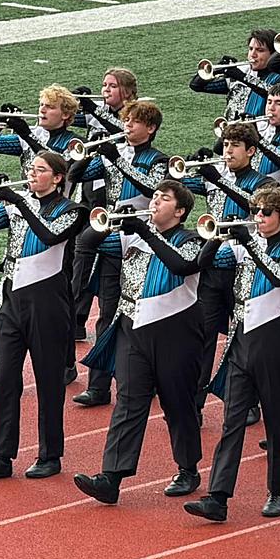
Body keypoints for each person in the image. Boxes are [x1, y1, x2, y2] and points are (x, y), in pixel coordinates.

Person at [183, 187, 280, 522]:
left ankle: (278, 490)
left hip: (273, 344)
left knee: (276, 423)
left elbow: (279, 275)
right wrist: (218, 235)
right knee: (231, 422)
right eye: (256, 212)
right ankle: (218, 496)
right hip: (240, 343)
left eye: (266, 213)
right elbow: (202, 262)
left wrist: (249, 242)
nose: (259, 218)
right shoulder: (242, 247)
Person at [73, 181, 205, 503]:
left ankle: (188, 468)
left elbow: (182, 265)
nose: (156, 201)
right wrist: (112, 218)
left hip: (175, 332)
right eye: (155, 196)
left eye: (165, 198)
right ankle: (111, 477)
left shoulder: (191, 240)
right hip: (132, 328)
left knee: (177, 403)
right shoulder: (130, 234)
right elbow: (87, 241)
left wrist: (145, 233)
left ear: (180, 211)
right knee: (129, 401)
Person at [0, 152, 86, 480]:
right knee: (6, 379)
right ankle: (1, 456)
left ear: (58, 178)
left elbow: (50, 236)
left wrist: (20, 204)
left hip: (48, 301)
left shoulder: (73, 211)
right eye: (31, 169)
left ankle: (50, 454)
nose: (32, 175)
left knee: (49, 381)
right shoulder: (18, 207)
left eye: (40, 170)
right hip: (14, 299)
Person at [68, 100, 170, 407]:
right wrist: (91, 151)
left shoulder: (158, 159)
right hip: (113, 237)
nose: (127, 126)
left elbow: (154, 190)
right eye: (126, 121)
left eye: (134, 122)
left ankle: (147, 380)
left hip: (143, 242)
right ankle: (98, 387)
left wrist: (118, 161)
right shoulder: (115, 152)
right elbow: (75, 174)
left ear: (150, 128)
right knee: (108, 314)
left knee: (143, 318)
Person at [181, 123, 277, 426]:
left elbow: (257, 208)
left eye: (235, 146)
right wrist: (187, 164)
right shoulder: (214, 176)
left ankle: (248, 402)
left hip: (246, 268)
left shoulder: (265, 182)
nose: (228, 151)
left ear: (250, 151)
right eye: (225, 145)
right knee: (203, 338)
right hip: (214, 269)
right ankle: (194, 404)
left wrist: (219, 181)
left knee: (242, 338)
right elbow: (172, 182)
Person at [71, 68, 141, 342]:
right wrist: (75, 101)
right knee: (83, 251)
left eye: (112, 86)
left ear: (126, 90)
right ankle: (77, 315)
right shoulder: (97, 109)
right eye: (104, 85)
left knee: (97, 254)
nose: (106, 90)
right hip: (90, 183)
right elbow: (67, 116)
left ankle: (91, 310)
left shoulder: (136, 113)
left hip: (112, 191)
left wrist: (94, 110)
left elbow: (122, 132)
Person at [189, 29, 280, 121]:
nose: (252, 55)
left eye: (260, 50)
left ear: (273, 55)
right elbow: (196, 85)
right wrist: (217, 69)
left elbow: (273, 93)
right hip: (231, 135)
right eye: (251, 49)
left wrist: (241, 76)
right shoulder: (241, 72)